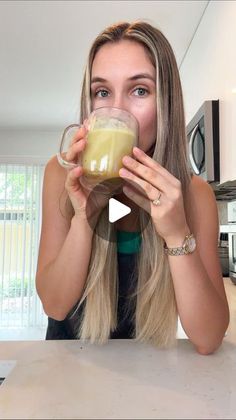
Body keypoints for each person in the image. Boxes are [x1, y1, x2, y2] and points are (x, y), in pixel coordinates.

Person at [36, 20, 229, 354]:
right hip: (67, 374)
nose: (117, 111)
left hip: (149, 385)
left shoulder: (194, 194)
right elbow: (55, 306)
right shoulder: (61, 173)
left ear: (165, 101)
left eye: (140, 90)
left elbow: (209, 338)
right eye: (102, 92)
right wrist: (85, 216)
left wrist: (174, 233)